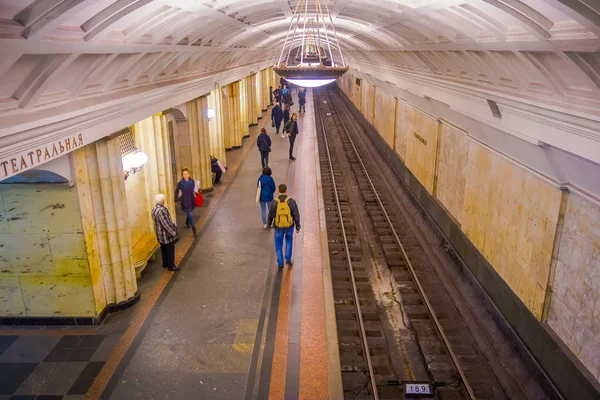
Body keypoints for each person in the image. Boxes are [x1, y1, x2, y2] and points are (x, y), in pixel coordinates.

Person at [267, 184, 301, 268]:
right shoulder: (291, 201)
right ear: (286, 190)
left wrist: (269, 223)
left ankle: (280, 262)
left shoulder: (274, 202)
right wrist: (297, 226)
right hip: (289, 226)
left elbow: (270, 214)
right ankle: (288, 258)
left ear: (278, 190)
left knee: (278, 244)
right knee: (289, 241)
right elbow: (296, 214)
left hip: (278, 226)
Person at [152, 194, 180, 271]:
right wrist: (173, 232)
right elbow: (166, 224)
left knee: (163, 249)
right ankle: (171, 266)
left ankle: (165, 263)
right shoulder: (162, 210)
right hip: (166, 235)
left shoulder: (154, 209)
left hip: (160, 234)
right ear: (162, 201)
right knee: (170, 250)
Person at [175, 168, 197, 236]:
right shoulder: (181, 183)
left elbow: (194, 190)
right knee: (190, 213)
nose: (186, 175)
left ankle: (187, 222)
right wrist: (176, 199)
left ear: (189, 174)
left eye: (187, 174)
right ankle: (193, 228)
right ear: (182, 175)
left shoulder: (192, 181)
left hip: (191, 199)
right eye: (184, 174)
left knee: (189, 212)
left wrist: (196, 190)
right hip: (185, 200)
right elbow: (176, 191)